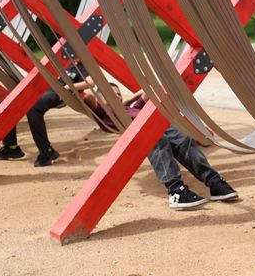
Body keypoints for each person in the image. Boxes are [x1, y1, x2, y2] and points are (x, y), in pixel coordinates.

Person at [84, 82, 238, 211]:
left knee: (183, 138)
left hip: (155, 124)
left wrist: (128, 100)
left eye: (118, 94)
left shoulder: (132, 108)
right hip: (141, 130)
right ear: (100, 99)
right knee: (157, 138)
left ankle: (214, 182)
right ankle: (176, 191)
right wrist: (104, 101)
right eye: (111, 94)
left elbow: (148, 90)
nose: (116, 96)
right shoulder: (103, 113)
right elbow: (88, 98)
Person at [0, 63, 91, 166]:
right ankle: (11, 147)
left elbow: (91, 83)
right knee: (9, 103)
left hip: (60, 93)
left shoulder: (85, 65)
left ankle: (47, 151)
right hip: (46, 88)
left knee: (34, 108)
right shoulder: (66, 61)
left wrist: (67, 87)